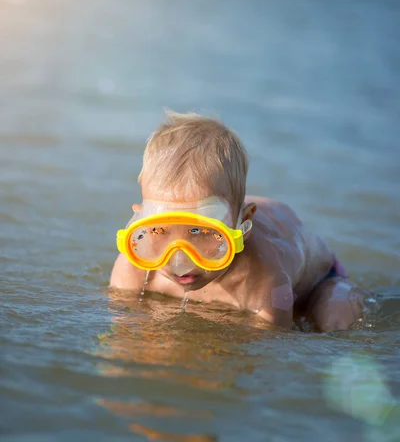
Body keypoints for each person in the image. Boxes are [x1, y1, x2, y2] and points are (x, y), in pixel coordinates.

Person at [110, 111, 365, 331]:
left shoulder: (264, 277)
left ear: (243, 224)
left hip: (322, 281)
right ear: (140, 219)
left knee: (333, 321)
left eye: (199, 231)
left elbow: (263, 348)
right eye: (160, 229)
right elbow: (121, 326)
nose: (179, 259)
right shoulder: (136, 265)